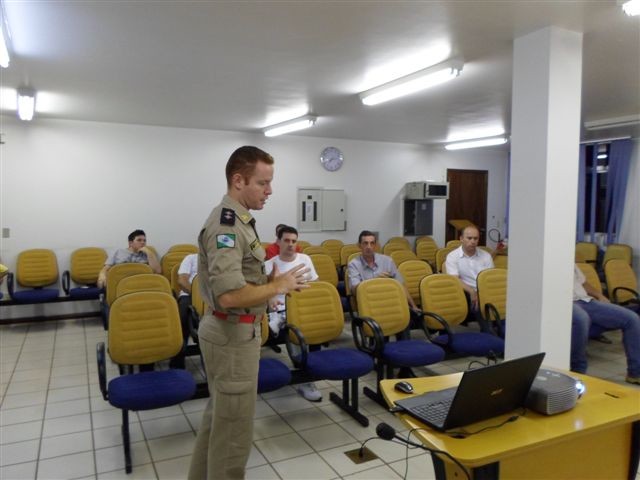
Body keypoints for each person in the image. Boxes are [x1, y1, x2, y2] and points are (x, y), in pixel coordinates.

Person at [188, 146, 309, 480]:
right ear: (238, 180)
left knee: (219, 422)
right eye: (263, 183)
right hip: (231, 335)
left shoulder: (240, 220)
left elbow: (243, 277)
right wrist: (277, 287)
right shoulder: (227, 226)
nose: (269, 191)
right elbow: (228, 296)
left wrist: (269, 281)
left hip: (235, 332)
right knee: (233, 437)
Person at [264, 225, 321, 401]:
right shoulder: (269, 265)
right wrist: (269, 298)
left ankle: (309, 374)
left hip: (304, 305)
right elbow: (264, 292)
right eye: (286, 241)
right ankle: (304, 378)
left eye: (294, 241)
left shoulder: (305, 259)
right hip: (280, 307)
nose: (290, 244)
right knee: (294, 326)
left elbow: (315, 286)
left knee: (308, 325)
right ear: (278, 242)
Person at [571, 264, 640, 385]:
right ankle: (576, 370)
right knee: (582, 319)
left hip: (586, 300)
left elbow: (583, 283)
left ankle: (635, 373)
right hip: (566, 301)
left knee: (631, 319)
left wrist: (599, 295)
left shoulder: (570, 261)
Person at [348, 230, 419, 312]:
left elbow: (401, 286)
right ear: (359, 245)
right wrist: (375, 280)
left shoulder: (387, 261)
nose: (369, 246)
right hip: (369, 303)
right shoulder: (353, 264)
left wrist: (413, 306)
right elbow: (355, 290)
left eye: (372, 243)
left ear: (376, 245)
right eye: (365, 243)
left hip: (389, 301)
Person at [444, 225, 494, 311]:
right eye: (469, 238)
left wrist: (482, 293)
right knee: (483, 310)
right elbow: (455, 279)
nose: (473, 241)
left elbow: (490, 278)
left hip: (485, 290)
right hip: (465, 291)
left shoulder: (486, 256)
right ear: (461, 239)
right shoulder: (452, 256)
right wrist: (471, 291)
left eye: (476, 238)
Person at [97, 229, 161, 288]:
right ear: (130, 243)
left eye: (144, 240)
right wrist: (102, 275)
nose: (143, 242)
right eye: (139, 240)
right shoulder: (118, 252)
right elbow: (106, 268)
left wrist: (148, 252)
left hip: (141, 283)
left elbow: (158, 272)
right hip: (120, 283)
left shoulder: (147, 254)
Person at [169, 252, 198, 369]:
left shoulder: (221, 259)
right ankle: (177, 362)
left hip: (214, 297)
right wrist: (198, 295)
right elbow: (182, 280)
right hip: (189, 295)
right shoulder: (191, 258)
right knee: (183, 318)